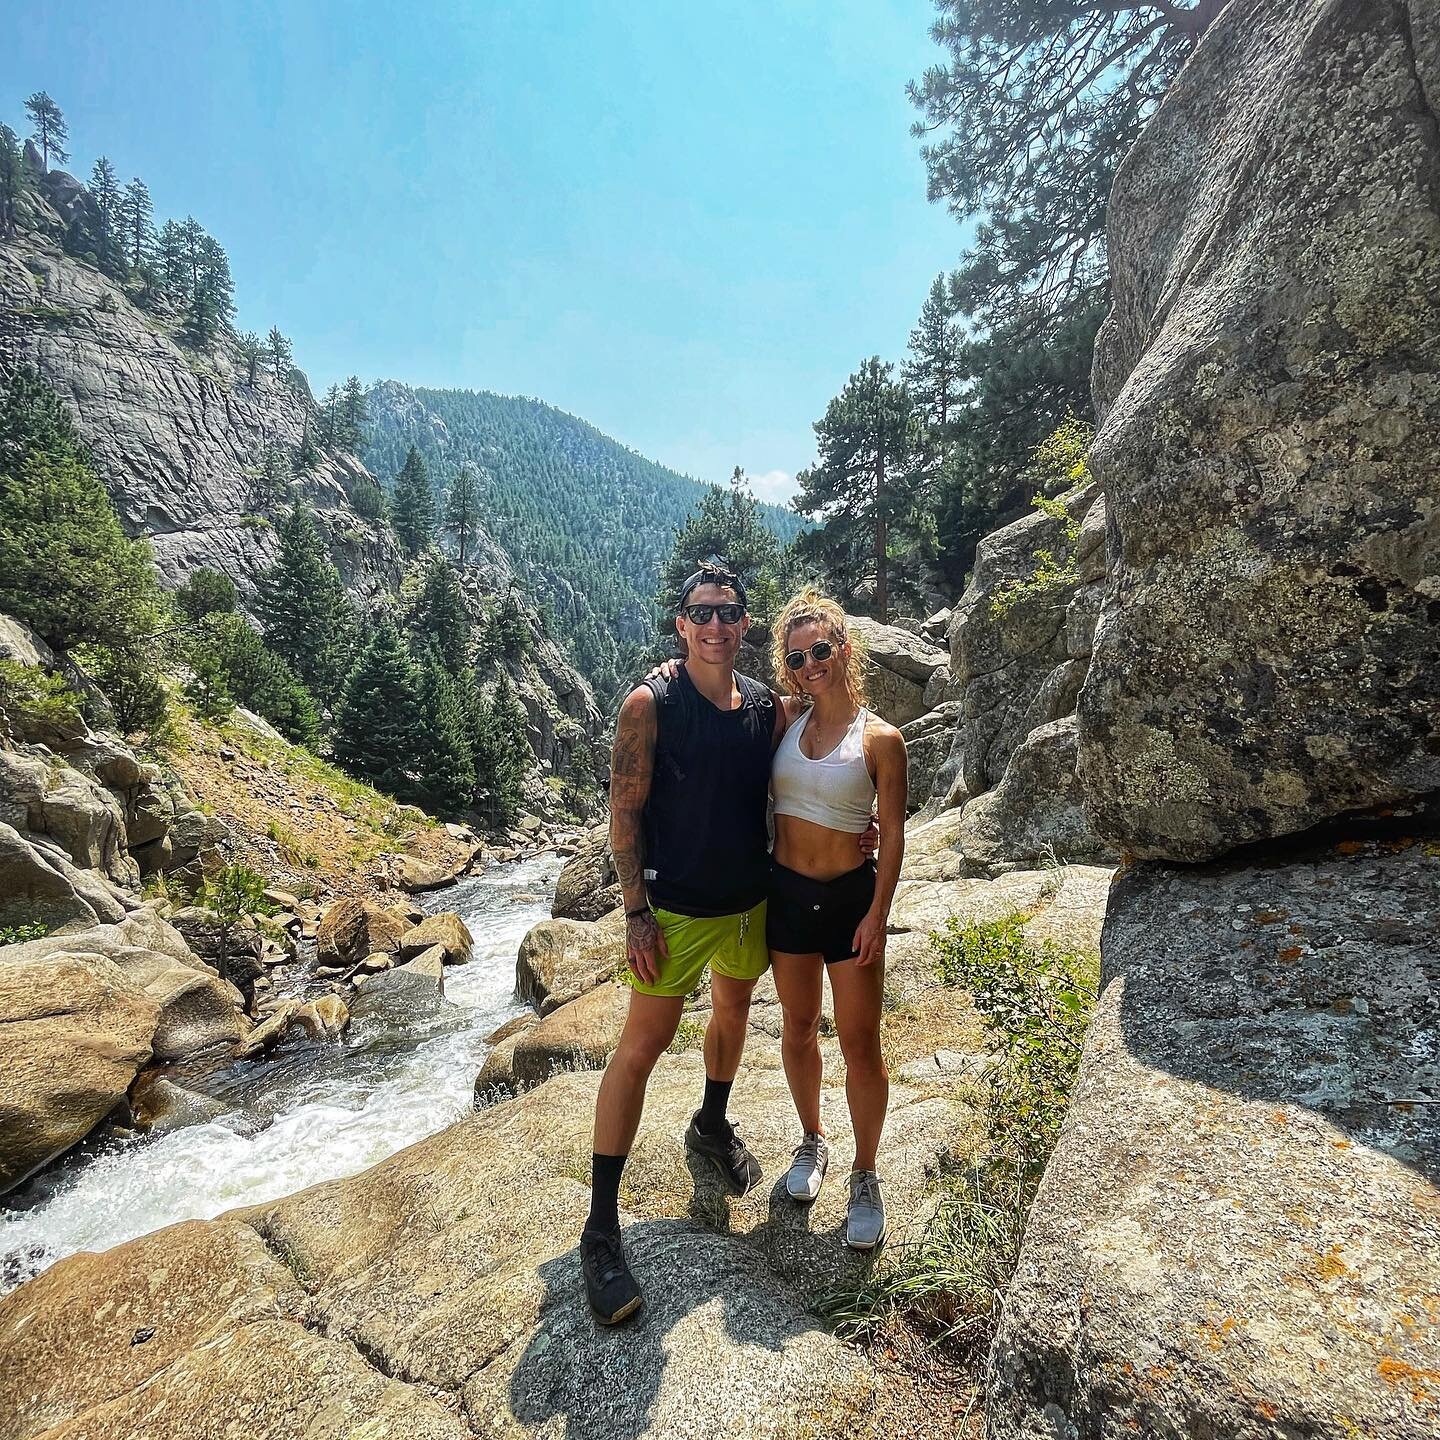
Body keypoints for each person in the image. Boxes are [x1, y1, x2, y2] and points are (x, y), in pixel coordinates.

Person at [581, 564, 870, 1325]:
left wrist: (850, 827)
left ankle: (711, 1122)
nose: (715, 624)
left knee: (734, 1013)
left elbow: (797, 779)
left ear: (745, 624)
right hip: (674, 909)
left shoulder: (767, 709)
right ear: (681, 623)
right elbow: (623, 815)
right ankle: (601, 1229)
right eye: (701, 612)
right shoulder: (652, 703)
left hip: (749, 905)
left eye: (729, 612)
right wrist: (635, 911)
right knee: (640, 1047)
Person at [765, 588, 906, 1249]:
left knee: (861, 1046)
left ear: (844, 650)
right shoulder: (785, 720)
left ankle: (866, 1173)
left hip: (851, 901)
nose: (810, 664)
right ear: (787, 667)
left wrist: (879, 912)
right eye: (797, 657)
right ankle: (813, 1140)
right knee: (797, 1029)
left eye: (821, 650)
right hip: (787, 897)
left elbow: (896, 834)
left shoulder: (881, 740)